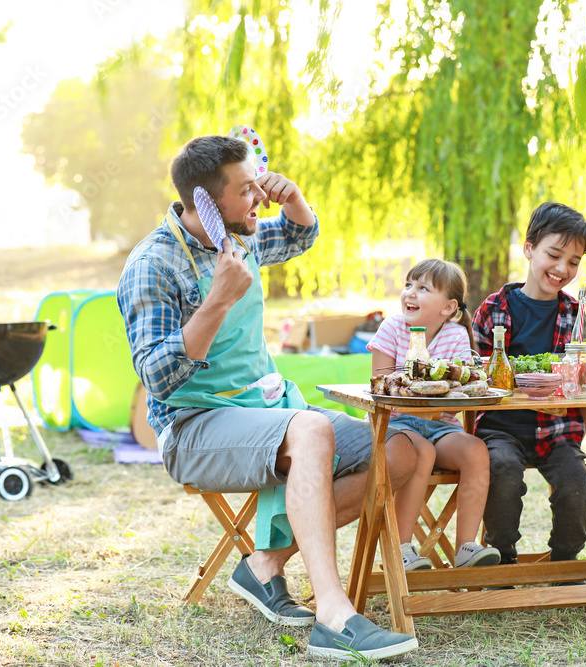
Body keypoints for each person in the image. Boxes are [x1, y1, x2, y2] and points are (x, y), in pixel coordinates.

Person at [117, 135, 419, 660]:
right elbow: (158, 378)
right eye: (246, 189)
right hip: (193, 425)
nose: (259, 197)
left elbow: (299, 235)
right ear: (205, 201)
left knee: (402, 450)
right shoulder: (153, 264)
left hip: (266, 410)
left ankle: (263, 567)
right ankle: (334, 616)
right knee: (311, 429)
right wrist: (215, 302)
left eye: (258, 184)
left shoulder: (243, 234)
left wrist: (296, 198)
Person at [472, 203, 586, 569]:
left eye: (573, 262)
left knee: (577, 485)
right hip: (501, 430)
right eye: (554, 255)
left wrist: (575, 427)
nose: (562, 269)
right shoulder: (494, 309)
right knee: (503, 473)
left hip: (558, 431)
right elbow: (478, 376)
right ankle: (502, 559)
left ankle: (564, 562)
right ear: (528, 249)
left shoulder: (577, 316)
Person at [368, 258, 501, 571]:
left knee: (476, 450)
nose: (410, 293)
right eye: (408, 285)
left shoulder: (455, 336)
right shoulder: (392, 328)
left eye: (423, 288)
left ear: (448, 306)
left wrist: (447, 392)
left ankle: (466, 547)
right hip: (395, 424)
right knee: (422, 453)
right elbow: (381, 386)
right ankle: (400, 548)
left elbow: (459, 396)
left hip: (441, 425)